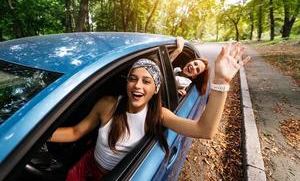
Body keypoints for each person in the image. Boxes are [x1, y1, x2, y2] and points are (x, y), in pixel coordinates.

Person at [49, 42, 251, 181]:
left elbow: (204, 130)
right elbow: (75, 132)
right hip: (86, 167)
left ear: (156, 89)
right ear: (126, 82)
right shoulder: (108, 104)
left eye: (146, 81)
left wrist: (222, 81)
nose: (137, 86)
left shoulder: (159, 115)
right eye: (132, 78)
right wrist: (29, 136)